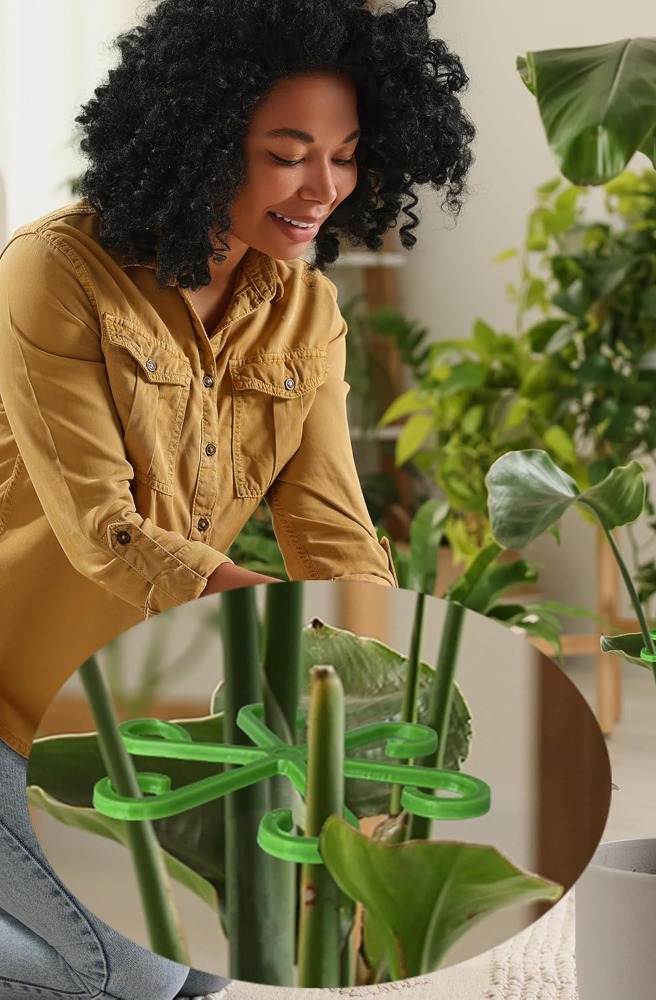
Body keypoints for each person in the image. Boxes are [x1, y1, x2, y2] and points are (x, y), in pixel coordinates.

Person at [0, 0, 474, 996]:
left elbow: (335, 531)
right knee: (124, 970)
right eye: (289, 152)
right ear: (204, 140)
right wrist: (259, 613)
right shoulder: (56, 269)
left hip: (126, 714)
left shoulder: (307, 312)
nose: (323, 189)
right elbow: (105, 530)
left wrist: (378, 684)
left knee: (210, 967)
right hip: (6, 711)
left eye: (344, 155)